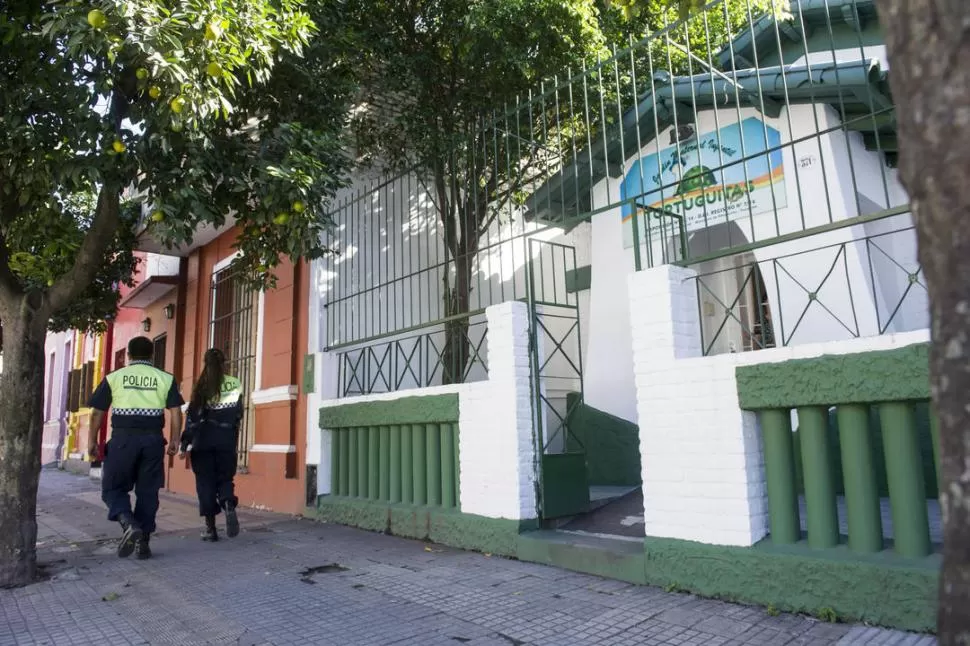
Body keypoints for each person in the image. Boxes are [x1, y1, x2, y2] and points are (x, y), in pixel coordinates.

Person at [88, 336, 184, 560]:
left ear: (129, 355)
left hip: (123, 440)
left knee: (112, 489)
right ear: (152, 355)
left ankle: (128, 523)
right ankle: (143, 544)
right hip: (152, 441)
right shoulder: (165, 378)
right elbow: (176, 411)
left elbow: (97, 412)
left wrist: (92, 441)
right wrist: (175, 439)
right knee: (147, 492)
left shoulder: (114, 377)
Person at [179, 348, 243, 542]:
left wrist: (185, 443)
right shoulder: (235, 383)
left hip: (204, 443)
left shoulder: (202, 386)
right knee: (224, 478)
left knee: (205, 483)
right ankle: (228, 504)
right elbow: (238, 414)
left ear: (205, 363)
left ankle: (211, 529)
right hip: (226, 441)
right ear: (224, 363)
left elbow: (194, 419)